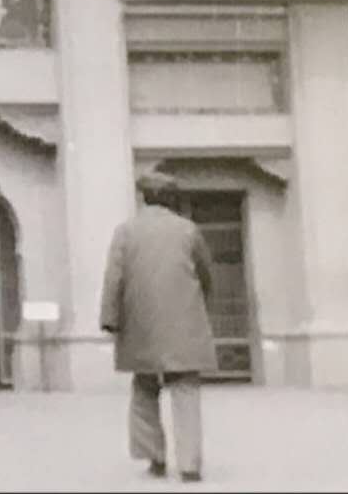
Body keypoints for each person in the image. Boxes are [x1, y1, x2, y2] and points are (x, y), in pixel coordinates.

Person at [100, 170, 218, 484]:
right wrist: (201, 306)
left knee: (144, 388)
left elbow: (114, 278)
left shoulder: (125, 231)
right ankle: (190, 466)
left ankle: (155, 457)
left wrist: (110, 319)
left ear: (144, 197)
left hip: (140, 325)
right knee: (186, 390)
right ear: (170, 199)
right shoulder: (188, 230)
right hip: (184, 323)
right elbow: (206, 274)